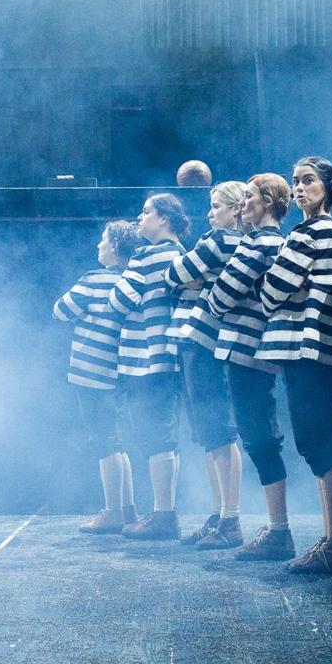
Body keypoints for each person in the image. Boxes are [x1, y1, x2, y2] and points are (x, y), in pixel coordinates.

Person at [256, 156, 332, 575]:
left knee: (323, 444)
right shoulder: (317, 232)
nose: (299, 188)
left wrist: (282, 286)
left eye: (309, 180)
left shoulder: (316, 232)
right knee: (319, 444)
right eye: (295, 181)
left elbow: (271, 291)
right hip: (316, 351)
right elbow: (280, 288)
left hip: (314, 351)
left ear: (329, 186)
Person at [204, 173, 296, 561]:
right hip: (247, 349)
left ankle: (279, 531)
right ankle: (277, 529)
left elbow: (220, 296)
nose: (243, 204)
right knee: (257, 435)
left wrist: (210, 294)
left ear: (270, 202)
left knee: (260, 436)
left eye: (251, 197)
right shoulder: (260, 241)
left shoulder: (261, 242)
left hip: (248, 348)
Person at [164, 182, 247, 549]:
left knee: (219, 432)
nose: (210, 214)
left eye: (216, 206)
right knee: (211, 435)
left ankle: (230, 519)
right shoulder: (224, 244)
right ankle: (219, 515)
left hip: (204, 341)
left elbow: (173, 275)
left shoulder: (220, 241)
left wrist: (190, 278)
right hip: (198, 342)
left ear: (235, 210)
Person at [53, 220, 145, 535]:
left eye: (103, 241)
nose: (98, 246)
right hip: (119, 372)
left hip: (91, 373)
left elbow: (61, 310)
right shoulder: (133, 280)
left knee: (104, 442)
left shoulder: (94, 279)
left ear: (116, 246)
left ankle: (113, 511)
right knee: (116, 440)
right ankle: (128, 508)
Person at [108, 194, 190, 540]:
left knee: (152, 433)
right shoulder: (181, 254)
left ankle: (163, 516)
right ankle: (164, 511)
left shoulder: (146, 255)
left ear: (164, 219)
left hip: (144, 358)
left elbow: (119, 300)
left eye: (146, 212)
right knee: (165, 434)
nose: (139, 219)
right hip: (170, 356)